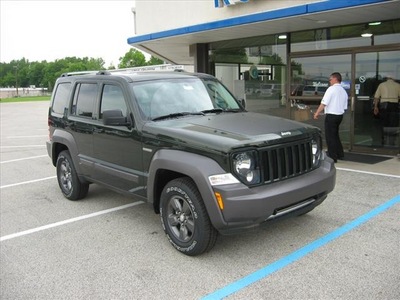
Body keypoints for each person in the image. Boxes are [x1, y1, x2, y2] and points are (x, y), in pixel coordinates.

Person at [313, 72, 348, 163]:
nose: (329, 81)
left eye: (330, 79)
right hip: (339, 115)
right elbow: (345, 106)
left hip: (331, 115)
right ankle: (340, 153)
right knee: (335, 135)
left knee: (330, 136)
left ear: (335, 79)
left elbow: (324, 103)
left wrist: (317, 112)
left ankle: (333, 156)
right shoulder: (343, 91)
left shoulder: (331, 89)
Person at [373, 75, 400, 146]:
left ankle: (384, 140)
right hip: (394, 105)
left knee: (384, 123)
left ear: (386, 78)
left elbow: (376, 97)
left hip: (384, 106)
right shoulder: (397, 85)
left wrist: (376, 107)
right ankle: (392, 141)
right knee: (393, 124)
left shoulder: (382, 85)